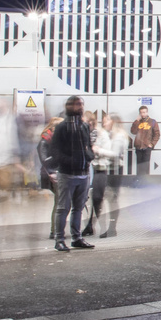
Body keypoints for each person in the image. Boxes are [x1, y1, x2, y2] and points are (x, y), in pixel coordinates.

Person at [47, 96, 95, 251]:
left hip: (83, 173)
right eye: (75, 104)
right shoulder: (62, 127)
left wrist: (89, 157)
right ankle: (59, 239)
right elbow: (55, 151)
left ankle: (76, 238)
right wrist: (70, 161)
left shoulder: (84, 126)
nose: (78, 107)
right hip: (67, 174)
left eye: (80, 104)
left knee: (78, 208)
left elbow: (88, 146)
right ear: (68, 106)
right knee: (63, 208)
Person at [95, 113, 130, 238]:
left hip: (113, 171)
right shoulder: (112, 135)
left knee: (111, 199)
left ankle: (110, 228)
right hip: (111, 170)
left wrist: (99, 150)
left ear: (113, 122)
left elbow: (114, 154)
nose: (104, 124)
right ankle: (107, 227)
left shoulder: (119, 136)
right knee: (109, 199)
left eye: (106, 121)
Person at [83, 109, 111, 238]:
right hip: (87, 168)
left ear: (90, 122)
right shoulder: (83, 133)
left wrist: (97, 150)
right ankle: (89, 226)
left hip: (99, 168)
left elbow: (108, 152)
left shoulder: (101, 134)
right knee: (87, 200)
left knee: (97, 198)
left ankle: (103, 227)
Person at [129, 105, 159, 178]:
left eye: (144, 112)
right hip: (139, 147)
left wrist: (152, 144)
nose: (143, 114)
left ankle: (145, 181)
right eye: (141, 112)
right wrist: (136, 121)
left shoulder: (152, 122)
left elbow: (157, 134)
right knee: (139, 166)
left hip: (147, 147)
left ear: (147, 112)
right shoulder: (138, 122)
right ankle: (139, 181)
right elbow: (133, 131)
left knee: (146, 166)